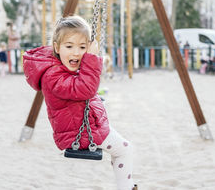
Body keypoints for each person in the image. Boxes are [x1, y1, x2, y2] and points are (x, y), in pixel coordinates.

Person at [23, 16, 137, 190]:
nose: (76, 52)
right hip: (79, 133)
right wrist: (91, 58)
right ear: (57, 47)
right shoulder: (52, 75)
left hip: (86, 126)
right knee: (125, 150)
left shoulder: (59, 67)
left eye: (83, 47)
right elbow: (84, 89)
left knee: (120, 151)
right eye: (69, 46)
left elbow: (81, 90)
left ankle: (125, 184)